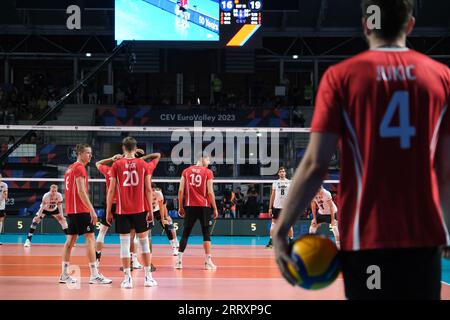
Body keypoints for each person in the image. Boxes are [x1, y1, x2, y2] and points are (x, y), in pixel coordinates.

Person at [273, 0, 450, 300]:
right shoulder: (442, 77)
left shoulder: (342, 77)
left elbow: (316, 164)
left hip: (366, 240)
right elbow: (445, 171)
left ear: (366, 24)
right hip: (422, 240)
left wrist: (281, 230)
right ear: (409, 25)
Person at [106, 137, 157, 289]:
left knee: (124, 244)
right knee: (144, 243)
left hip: (122, 210)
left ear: (123, 148)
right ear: (135, 148)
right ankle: (148, 277)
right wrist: (150, 209)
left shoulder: (117, 164)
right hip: (140, 209)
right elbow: (148, 189)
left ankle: (127, 279)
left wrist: (109, 210)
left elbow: (111, 190)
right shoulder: (143, 164)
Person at [60, 144, 112, 285]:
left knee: (70, 242)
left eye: (91, 153)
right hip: (81, 210)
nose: (90, 155)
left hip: (71, 210)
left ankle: (64, 274)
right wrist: (92, 210)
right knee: (90, 239)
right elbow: (81, 191)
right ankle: (94, 275)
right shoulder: (79, 168)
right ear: (80, 153)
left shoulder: (70, 168)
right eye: (88, 153)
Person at [176, 153, 219, 270]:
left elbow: (180, 191)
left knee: (186, 233)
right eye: (208, 160)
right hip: (204, 206)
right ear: (203, 159)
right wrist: (214, 208)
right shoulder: (208, 172)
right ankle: (207, 262)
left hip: (189, 206)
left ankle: (179, 261)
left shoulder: (186, 171)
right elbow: (210, 192)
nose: (209, 163)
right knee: (206, 233)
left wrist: (180, 207)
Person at [266, 167, 293, 248]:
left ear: (285, 173)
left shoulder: (290, 182)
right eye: (280, 171)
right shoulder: (275, 182)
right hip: (277, 207)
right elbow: (272, 195)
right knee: (273, 224)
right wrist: (270, 208)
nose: (282, 173)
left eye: (283, 171)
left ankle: (291, 241)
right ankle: (271, 242)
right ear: (278, 173)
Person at [150, 183, 179, 256]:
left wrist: (164, 218)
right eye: (151, 190)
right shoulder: (145, 194)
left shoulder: (159, 195)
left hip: (158, 210)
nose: (152, 192)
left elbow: (163, 207)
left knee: (168, 226)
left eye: (153, 190)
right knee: (143, 230)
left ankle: (174, 246)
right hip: (148, 211)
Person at [0, 173, 8, 245]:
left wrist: (5, 196)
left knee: (1, 220)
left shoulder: (4, 184)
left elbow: (6, 193)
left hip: (1, 205)